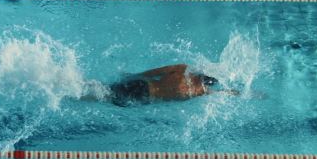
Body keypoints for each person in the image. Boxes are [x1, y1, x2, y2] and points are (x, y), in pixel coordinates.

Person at [80, 64, 243, 107]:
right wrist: (242, 93)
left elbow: (152, 73)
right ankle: (72, 95)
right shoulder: (198, 92)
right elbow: (222, 93)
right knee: (101, 98)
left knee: (104, 89)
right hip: (144, 99)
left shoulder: (183, 69)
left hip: (140, 85)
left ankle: (74, 83)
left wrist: (131, 77)